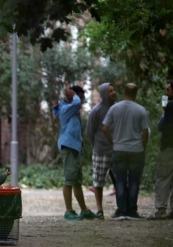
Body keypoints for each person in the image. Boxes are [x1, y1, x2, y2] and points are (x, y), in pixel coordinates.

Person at [102, 83, 150, 220]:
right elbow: (145, 132)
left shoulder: (114, 108)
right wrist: (143, 146)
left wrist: (112, 143)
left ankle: (121, 210)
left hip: (119, 149)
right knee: (134, 181)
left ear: (124, 92)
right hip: (136, 150)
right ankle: (132, 211)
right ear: (136, 94)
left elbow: (104, 128)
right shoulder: (141, 110)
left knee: (120, 181)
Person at [53, 86, 99, 221]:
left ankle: (84, 210)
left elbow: (77, 104)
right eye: (80, 96)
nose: (82, 100)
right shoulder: (65, 109)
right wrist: (74, 96)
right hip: (68, 146)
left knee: (77, 181)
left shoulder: (73, 109)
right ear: (71, 96)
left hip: (75, 148)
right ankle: (68, 211)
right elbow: (77, 103)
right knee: (68, 180)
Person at [86, 83, 117, 218]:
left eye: (114, 90)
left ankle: (122, 209)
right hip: (100, 151)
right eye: (110, 91)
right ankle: (100, 210)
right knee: (98, 182)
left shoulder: (117, 108)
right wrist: (97, 145)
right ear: (104, 94)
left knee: (121, 181)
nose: (114, 92)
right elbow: (89, 132)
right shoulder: (96, 111)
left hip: (117, 151)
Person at [148, 81, 173, 220]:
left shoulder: (170, 105)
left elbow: (162, 127)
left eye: (168, 90)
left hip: (169, 147)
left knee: (163, 177)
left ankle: (161, 210)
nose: (166, 93)